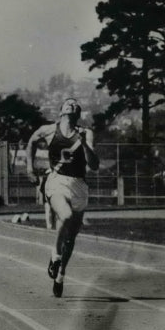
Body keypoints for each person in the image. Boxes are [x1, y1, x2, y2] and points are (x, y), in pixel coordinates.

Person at [27, 98, 100, 297]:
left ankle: (61, 275)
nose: (71, 104)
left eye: (75, 104)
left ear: (78, 113)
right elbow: (32, 141)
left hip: (79, 185)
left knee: (71, 237)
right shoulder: (49, 130)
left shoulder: (86, 133)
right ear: (60, 111)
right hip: (56, 180)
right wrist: (29, 168)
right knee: (65, 216)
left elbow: (94, 165)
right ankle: (55, 256)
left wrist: (85, 145)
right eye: (67, 103)